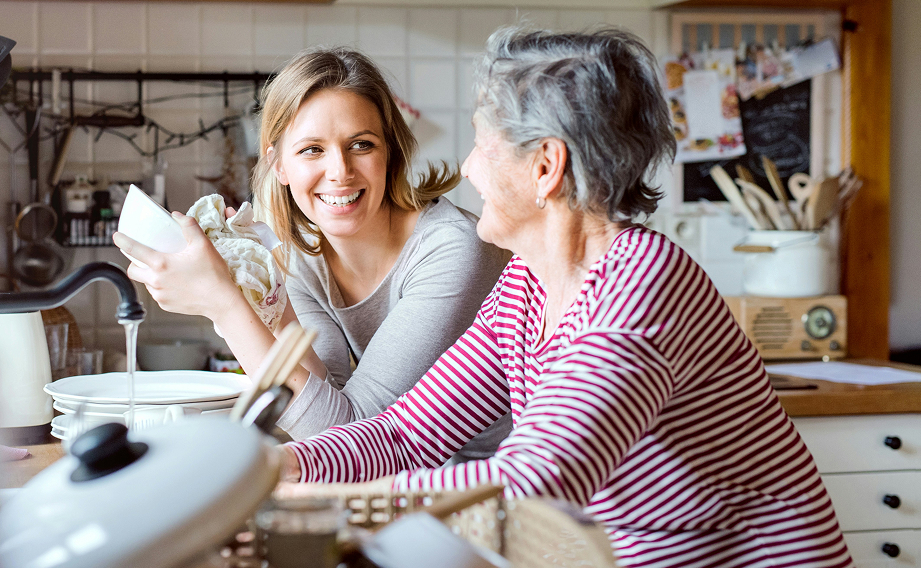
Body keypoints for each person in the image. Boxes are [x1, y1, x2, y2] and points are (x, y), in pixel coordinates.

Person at [279, 28, 852, 567]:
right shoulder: (525, 286)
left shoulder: (642, 284)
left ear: (545, 167)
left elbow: (535, 480)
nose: (468, 168)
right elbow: (405, 435)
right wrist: (285, 466)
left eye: (482, 145)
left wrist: (315, 503)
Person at [114, 47, 511, 459]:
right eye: (312, 149)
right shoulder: (303, 255)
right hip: (406, 482)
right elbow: (322, 398)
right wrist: (261, 291)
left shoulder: (452, 248)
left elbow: (349, 436)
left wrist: (225, 307)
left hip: (496, 490)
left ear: (389, 152)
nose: (340, 171)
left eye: (361, 144)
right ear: (279, 165)